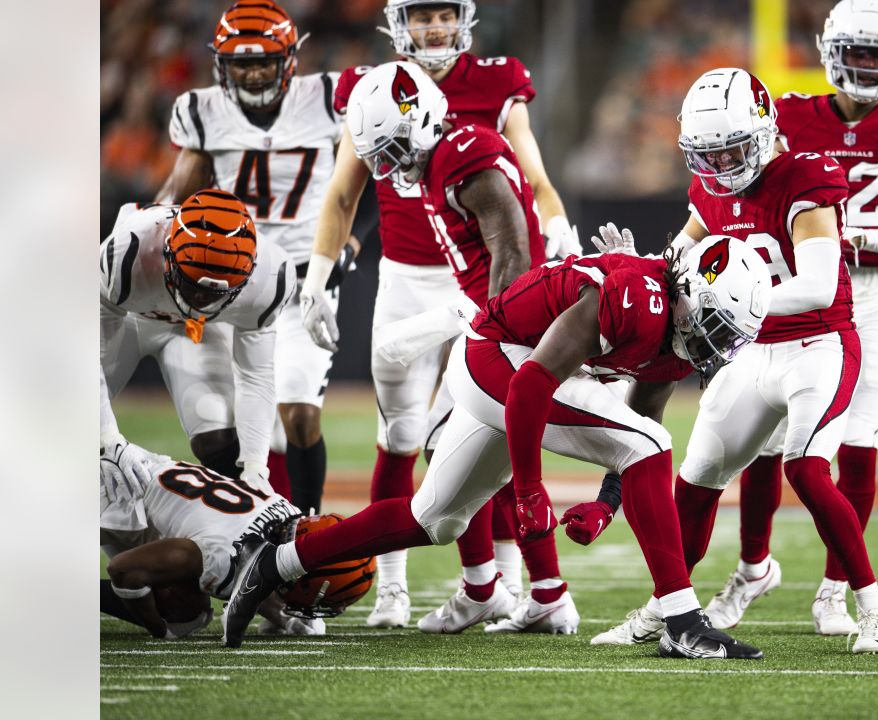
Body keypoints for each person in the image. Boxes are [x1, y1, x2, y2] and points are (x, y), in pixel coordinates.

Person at [221, 230, 773, 658]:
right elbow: (533, 384)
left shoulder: (675, 334)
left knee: (433, 519)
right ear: (691, 292)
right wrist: (530, 492)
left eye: (729, 337)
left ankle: (278, 562)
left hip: (509, 368)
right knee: (651, 443)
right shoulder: (637, 298)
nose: (716, 347)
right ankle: (681, 621)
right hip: (494, 360)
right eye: (717, 327)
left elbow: (637, 420)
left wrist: (606, 507)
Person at [592, 67, 878, 655]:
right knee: (696, 478)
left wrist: (736, 303)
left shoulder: (806, 176)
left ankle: (874, 609)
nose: (723, 165)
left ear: (763, 133)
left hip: (818, 344)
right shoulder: (708, 190)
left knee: (807, 470)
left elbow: (815, 285)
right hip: (751, 353)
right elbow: (674, 262)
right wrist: (637, 268)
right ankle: (666, 608)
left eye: (733, 148)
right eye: (708, 154)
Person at [302, 0, 580, 627]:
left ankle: (503, 583)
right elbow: (345, 191)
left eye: (442, 14)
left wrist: (557, 224)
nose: (433, 28)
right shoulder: (373, 91)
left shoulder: (490, 92)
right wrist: (318, 276)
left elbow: (531, 180)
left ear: (463, 19)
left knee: (479, 427)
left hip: (484, 284)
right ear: (399, 24)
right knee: (401, 433)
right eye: (420, 16)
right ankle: (397, 588)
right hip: (407, 278)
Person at [704, 0, 878, 636]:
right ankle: (752, 567)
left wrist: (858, 239)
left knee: (859, 441)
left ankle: (835, 592)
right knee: (763, 441)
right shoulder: (786, 116)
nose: (868, 66)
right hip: (794, 290)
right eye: (857, 52)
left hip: (871, 295)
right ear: (829, 52)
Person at [156, 0, 352, 513]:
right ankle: (264, 524)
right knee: (239, 426)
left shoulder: (332, 98)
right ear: (222, 64)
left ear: (289, 58)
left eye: (264, 59)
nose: (254, 71)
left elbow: (364, 175)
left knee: (299, 414)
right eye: (242, 62)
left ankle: (309, 526)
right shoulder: (203, 112)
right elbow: (180, 195)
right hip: (233, 279)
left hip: (306, 276)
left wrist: (349, 243)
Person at [100, 190, 293, 498]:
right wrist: (108, 438)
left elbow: (255, 375)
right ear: (166, 255)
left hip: (194, 331)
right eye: (195, 287)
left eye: (215, 294)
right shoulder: (127, 254)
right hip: (129, 318)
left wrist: (256, 465)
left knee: (217, 433)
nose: (202, 300)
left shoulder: (269, 280)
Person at [100, 446, 372, 637]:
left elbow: (258, 568)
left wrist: (280, 615)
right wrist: (158, 629)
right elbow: (124, 569)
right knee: (187, 614)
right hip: (110, 494)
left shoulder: (286, 512)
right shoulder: (223, 555)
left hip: (138, 466)